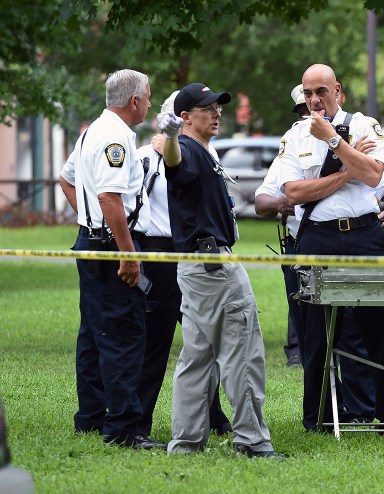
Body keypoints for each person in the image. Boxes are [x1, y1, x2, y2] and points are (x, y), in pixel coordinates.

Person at [278, 64, 384, 434]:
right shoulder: (296, 135)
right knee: (315, 333)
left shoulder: (365, 125)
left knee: (378, 328)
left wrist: (335, 141)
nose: (315, 100)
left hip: (365, 233)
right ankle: (316, 417)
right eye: (308, 93)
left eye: (321, 91)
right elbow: (294, 193)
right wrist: (350, 168)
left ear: (338, 91)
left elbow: (375, 176)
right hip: (317, 235)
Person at [159, 82, 283, 460]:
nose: (217, 113)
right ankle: (252, 441)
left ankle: (185, 444)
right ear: (185, 117)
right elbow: (174, 165)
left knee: (196, 358)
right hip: (213, 267)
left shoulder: (203, 150)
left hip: (197, 267)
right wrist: (168, 137)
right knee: (242, 353)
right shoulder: (189, 150)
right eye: (207, 108)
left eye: (218, 107)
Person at [58, 69, 165, 449]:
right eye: (148, 97)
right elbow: (109, 198)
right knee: (123, 335)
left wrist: (87, 222)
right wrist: (127, 254)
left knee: (93, 334)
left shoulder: (91, 131)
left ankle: (90, 418)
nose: (150, 103)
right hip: (113, 246)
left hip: (91, 242)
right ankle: (123, 428)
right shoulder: (116, 137)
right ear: (134, 101)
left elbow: (66, 179)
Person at [135, 91, 232, 438]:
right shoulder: (147, 155)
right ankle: (138, 422)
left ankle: (215, 416)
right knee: (156, 343)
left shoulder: (207, 149)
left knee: (206, 341)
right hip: (160, 252)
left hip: (193, 251)